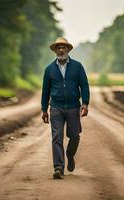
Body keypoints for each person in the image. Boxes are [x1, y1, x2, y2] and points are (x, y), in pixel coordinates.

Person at [41, 37, 90, 179]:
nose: (61, 50)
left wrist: (85, 103)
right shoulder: (49, 69)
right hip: (56, 107)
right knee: (56, 137)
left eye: (63, 47)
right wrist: (44, 109)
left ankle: (70, 154)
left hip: (74, 107)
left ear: (68, 49)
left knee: (74, 136)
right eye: (58, 47)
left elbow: (84, 85)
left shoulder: (77, 66)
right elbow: (45, 91)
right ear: (55, 50)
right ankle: (58, 168)